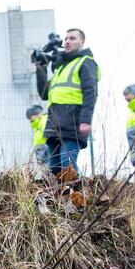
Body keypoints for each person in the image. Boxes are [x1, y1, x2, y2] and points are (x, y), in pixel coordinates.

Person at [35, 28, 100, 176]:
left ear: (82, 42)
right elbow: (45, 93)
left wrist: (85, 121)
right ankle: (62, 198)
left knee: (67, 164)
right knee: (55, 169)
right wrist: (41, 66)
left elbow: (91, 93)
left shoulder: (86, 62)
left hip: (73, 121)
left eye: (72, 38)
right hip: (55, 123)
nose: (67, 42)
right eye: (66, 39)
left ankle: (78, 196)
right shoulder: (61, 68)